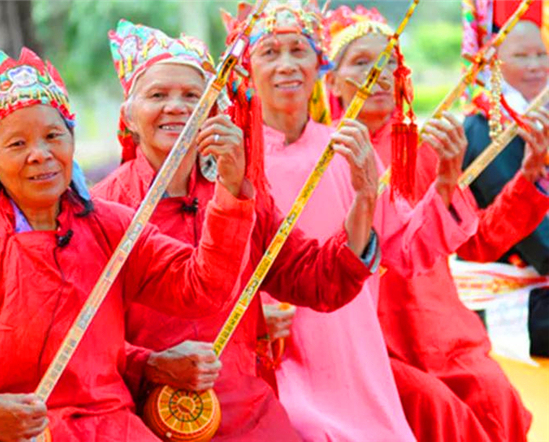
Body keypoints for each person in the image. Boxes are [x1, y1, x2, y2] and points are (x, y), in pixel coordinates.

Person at [0, 48, 259, 442]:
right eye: (17, 144)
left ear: (71, 142)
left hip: (114, 429)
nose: (40, 155)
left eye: (53, 136)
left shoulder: (110, 226)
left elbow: (202, 287)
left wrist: (230, 191)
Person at [92, 20, 379, 441]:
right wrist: (150, 363)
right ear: (129, 117)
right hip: (142, 414)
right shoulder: (102, 209)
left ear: (212, 113)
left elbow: (317, 279)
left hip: (248, 408)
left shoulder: (240, 191)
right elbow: (82, 343)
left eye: (192, 96)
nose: (176, 107)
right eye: (157, 95)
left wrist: (365, 198)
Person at [221, 2, 485, 441]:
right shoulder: (234, 162)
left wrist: (443, 183)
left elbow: (403, 247)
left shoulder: (344, 149)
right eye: (270, 52)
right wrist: (255, 314)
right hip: (271, 351)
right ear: (247, 70)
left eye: (298, 51)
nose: (286, 65)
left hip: (351, 347)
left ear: (318, 64)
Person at [326, 6, 549, 442]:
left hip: (444, 334)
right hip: (374, 340)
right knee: (437, 409)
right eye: (361, 64)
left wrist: (529, 179)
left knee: (496, 396)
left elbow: (477, 244)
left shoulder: (424, 148)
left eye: (390, 63)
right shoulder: (324, 156)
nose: (380, 74)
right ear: (331, 81)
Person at [463, 18, 549, 358]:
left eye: (541, 55)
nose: (535, 65)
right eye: (522, 56)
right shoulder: (486, 128)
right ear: (495, 64)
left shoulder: (539, 115)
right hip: (511, 290)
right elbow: (527, 229)